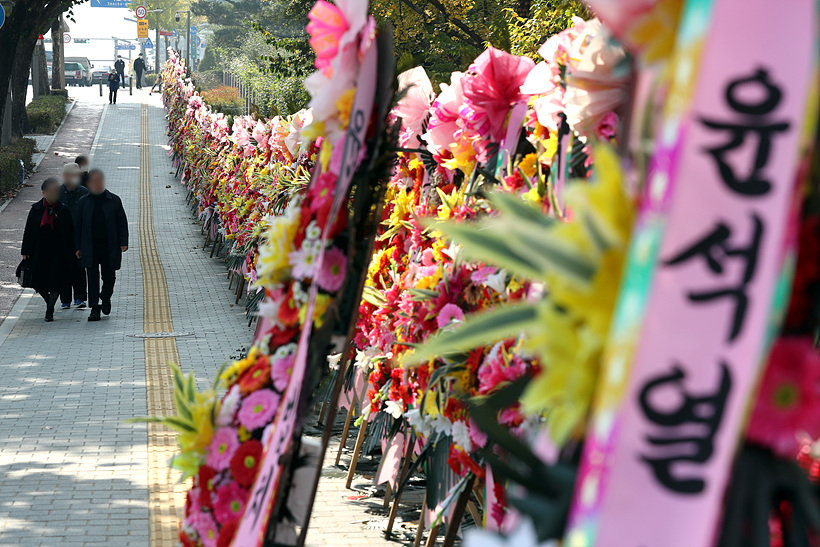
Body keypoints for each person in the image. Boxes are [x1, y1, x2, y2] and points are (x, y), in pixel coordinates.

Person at [74, 169, 128, 322]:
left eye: (100, 180)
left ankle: (105, 296)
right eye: (94, 181)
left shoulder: (114, 200)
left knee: (109, 276)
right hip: (90, 246)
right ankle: (94, 308)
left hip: (110, 246)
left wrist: (123, 242)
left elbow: (121, 222)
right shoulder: (83, 201)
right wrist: (77, 246)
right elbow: (78, 226)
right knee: (92, 276)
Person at [21, 177, 75, 322]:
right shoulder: (36, 210)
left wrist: (74, 250)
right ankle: (48, 301)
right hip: (40, 252)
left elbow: (70, 232)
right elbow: (29, 231)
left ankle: (49, 309)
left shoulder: (63, 210)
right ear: (44, 193)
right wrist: (25, 250)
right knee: (39, 282)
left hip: (59, 253)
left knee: (57, 281)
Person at [59, 163, 89, 309]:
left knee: (79, 267)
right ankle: (65, 298)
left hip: (80, 236)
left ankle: (80, 297)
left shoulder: (84, 192)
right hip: (61, 237)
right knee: (63, 268)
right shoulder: (58, 193)